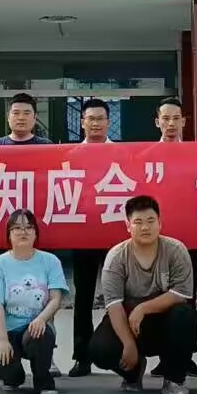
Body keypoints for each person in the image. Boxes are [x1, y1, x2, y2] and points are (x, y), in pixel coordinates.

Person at [87, 195, 197, 394]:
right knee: (99, 350)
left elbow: (180, 294)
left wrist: (143, 308)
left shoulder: (176, 250)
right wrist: (128, 343)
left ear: (160, 223)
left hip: (164, 320)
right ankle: (133, 372)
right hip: (128, 321)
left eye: (150, 221)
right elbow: (114, 305)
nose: (145, 227)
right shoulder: (116, 257)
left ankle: (174, 380)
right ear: (128, 225)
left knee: (185, 315)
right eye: (138, 222)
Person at [0, 209, 67, 394]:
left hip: (36, 327)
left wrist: (42, 319)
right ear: (9, 234)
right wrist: (2, 340)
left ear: (36, 233)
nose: (23, 232)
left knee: (40, 335)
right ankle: (13, 376)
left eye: (29, 227)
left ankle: (43, 379)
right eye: (17, 228)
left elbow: (56, 299)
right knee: (1, 365)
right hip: (8, 329)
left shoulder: (50, 261)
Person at [64, 96, 114, 378]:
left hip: (114, 236)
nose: (95, 124)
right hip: (82, 234)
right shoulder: (70, 155)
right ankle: (81, 356)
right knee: (82, 297)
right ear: (82, 123)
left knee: (118, 294)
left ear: (108, 122)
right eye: (90, 119)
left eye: (100, 119)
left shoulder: (123, 154)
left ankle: (120, 352)